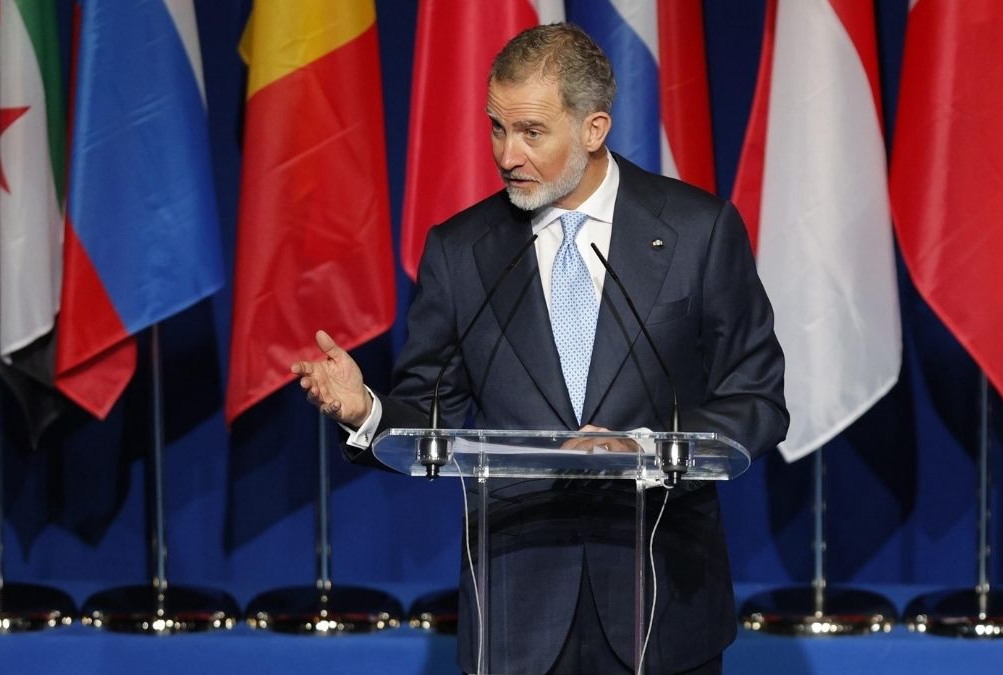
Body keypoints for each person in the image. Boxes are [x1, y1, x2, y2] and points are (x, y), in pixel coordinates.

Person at [292, 23, 787, 675]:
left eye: (531, 132)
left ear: (593, 128)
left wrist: (643, 446)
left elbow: (757, 401)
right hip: (514, 609)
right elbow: (432, 413)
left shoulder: (699, 231)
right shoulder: (462, 251)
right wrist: (366, 411)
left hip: (661, 604)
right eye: (497, 128)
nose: (507, 155)